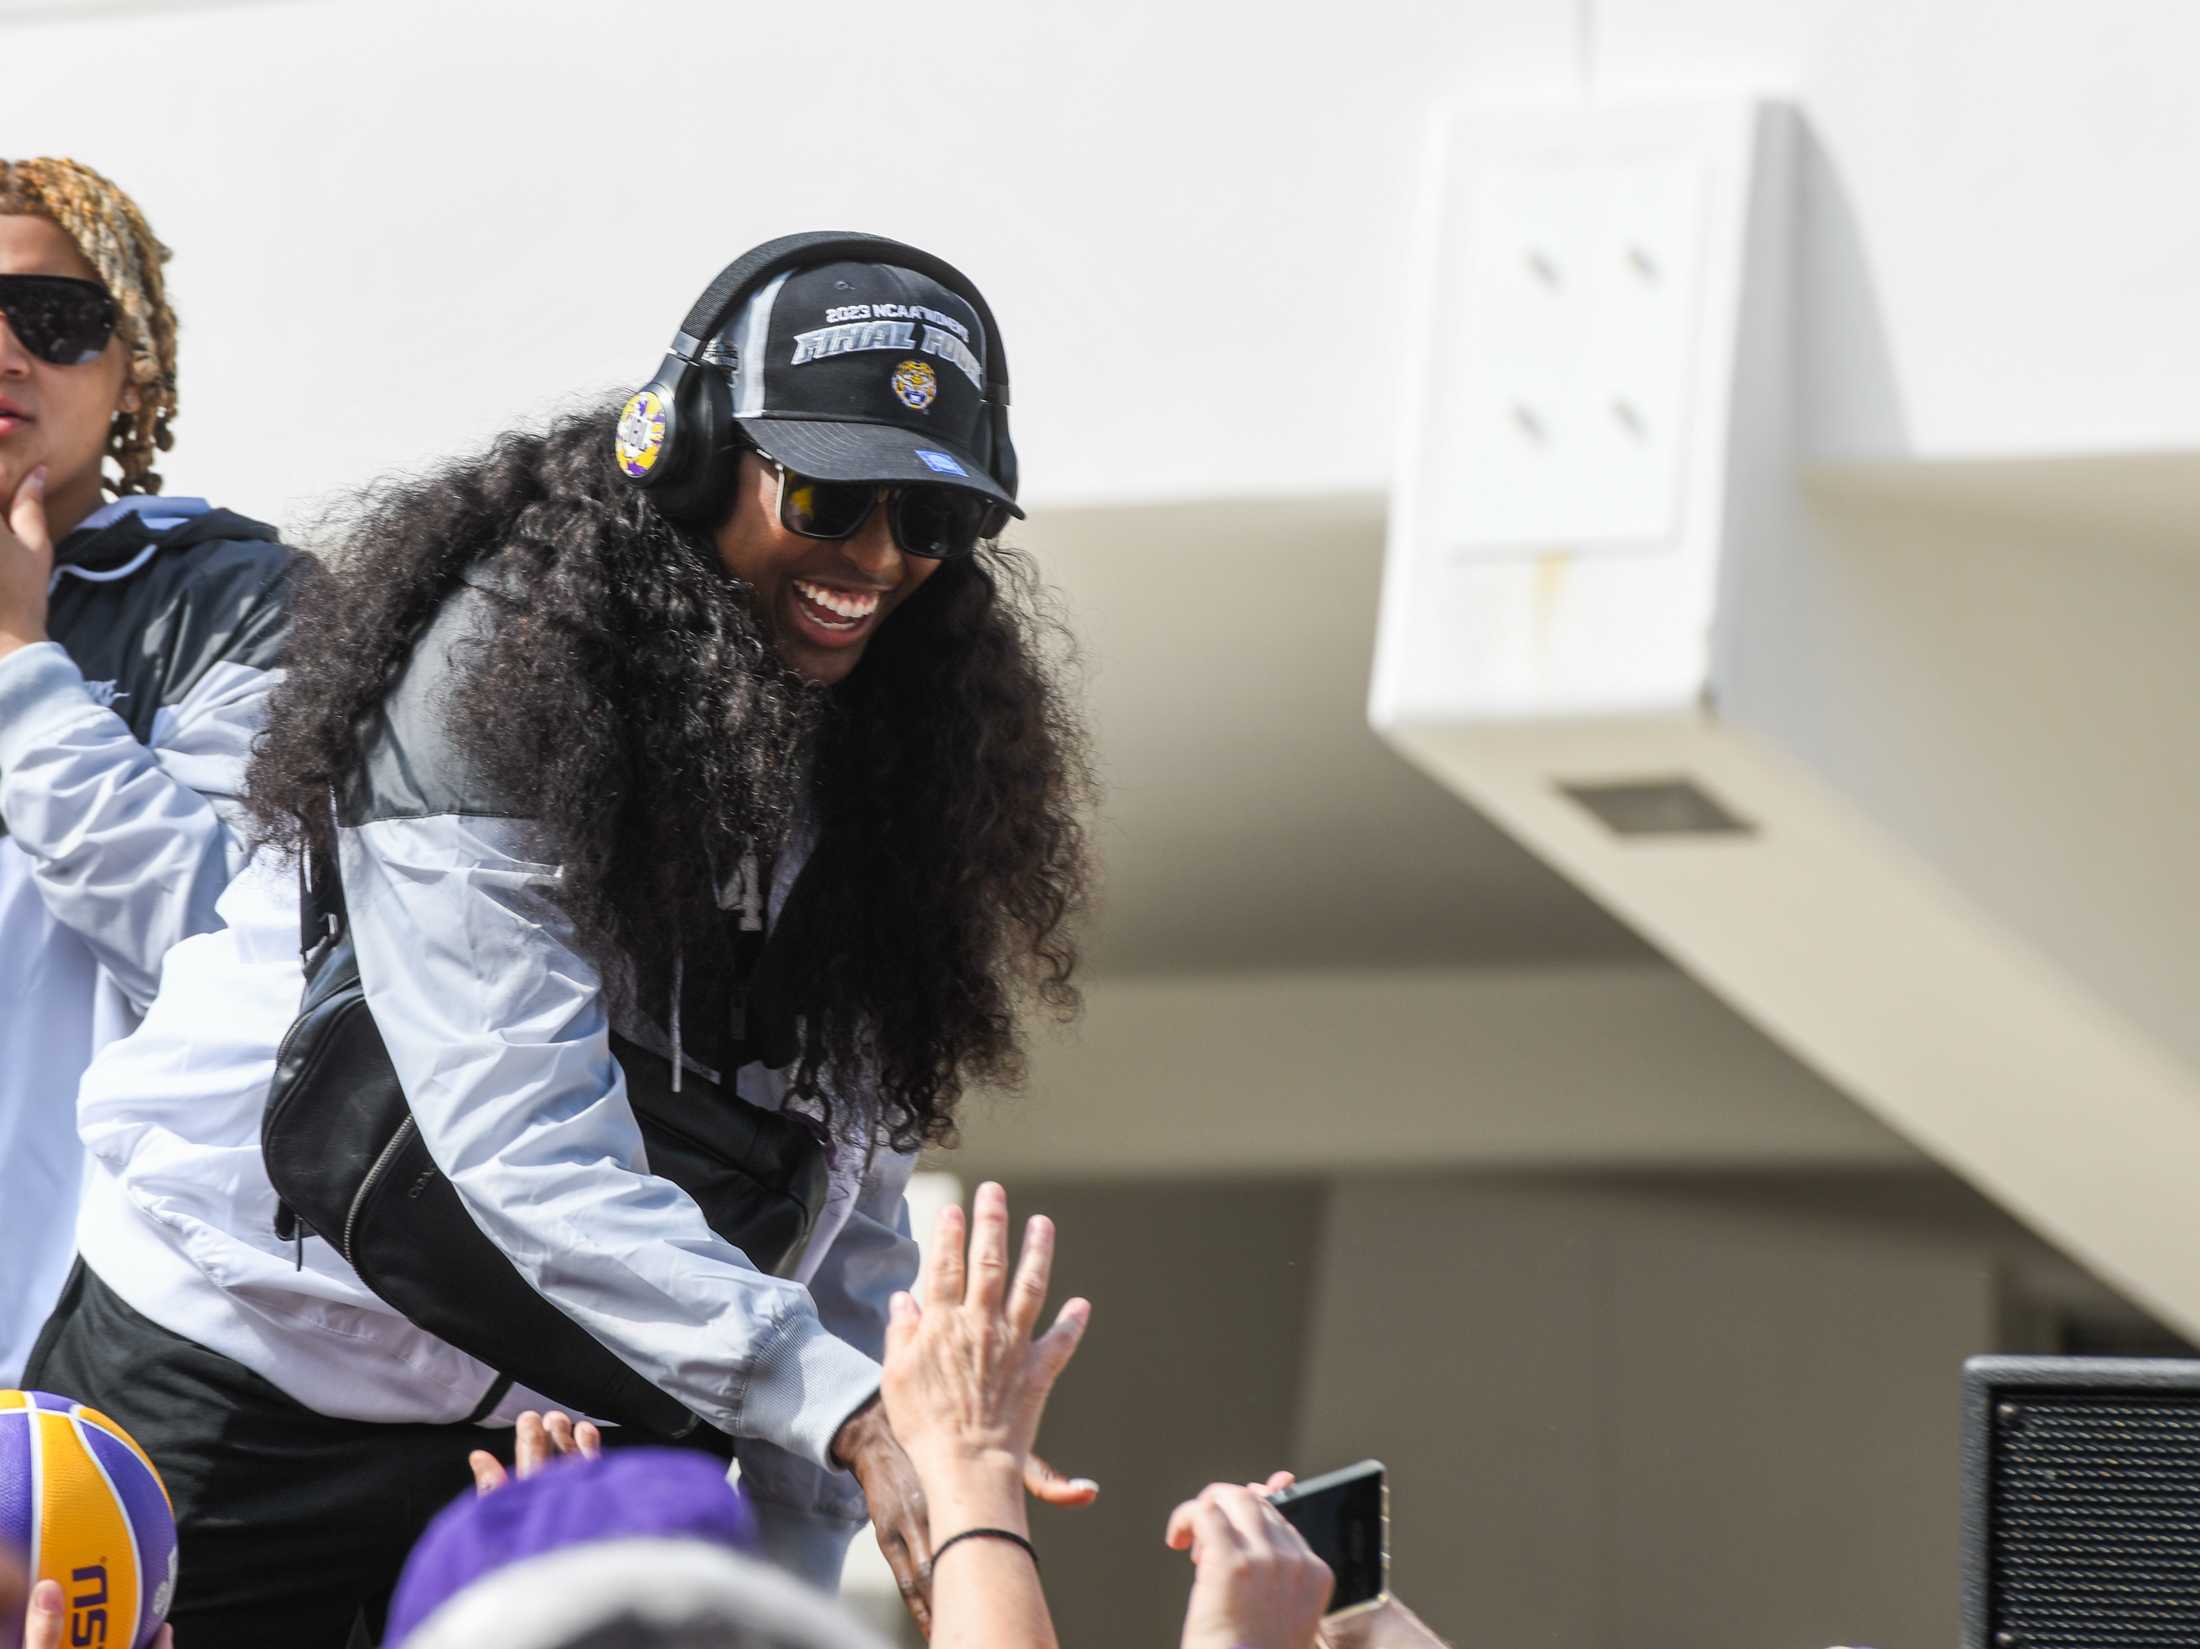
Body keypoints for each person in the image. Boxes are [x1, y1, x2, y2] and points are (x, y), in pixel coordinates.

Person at [24, 232, 1094, 1647]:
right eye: (831, 495)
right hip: (229, 1369)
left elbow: (844, 1214)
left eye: (935, 521)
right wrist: (835, 1407)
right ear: (695, 453)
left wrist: (781, 1580)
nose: (880, 556)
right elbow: (517, 1136)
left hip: (548, 1445)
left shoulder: (899, 756)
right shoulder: (497, 666)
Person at [0, 157, 291, 1384]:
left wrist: (20, 662)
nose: (6, 356)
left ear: (136, 373)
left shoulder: (238, 605)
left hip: (85, 1367)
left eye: (55, 322)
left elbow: (228, 953)